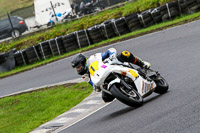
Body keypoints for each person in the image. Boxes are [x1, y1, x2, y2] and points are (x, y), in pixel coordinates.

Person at [71, 48, 151, 102]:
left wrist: (112, 54)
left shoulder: (92, 58)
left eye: (79, 67)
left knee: (125, 54)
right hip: (104, 80)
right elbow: (93, 85)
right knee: (105, 98)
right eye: (76, 69)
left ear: (83, 62)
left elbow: (108, 52)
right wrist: (95, 87)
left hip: (111, 66)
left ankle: (142, 64)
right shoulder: (86, 76)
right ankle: (123, 91)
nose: (78, 70)